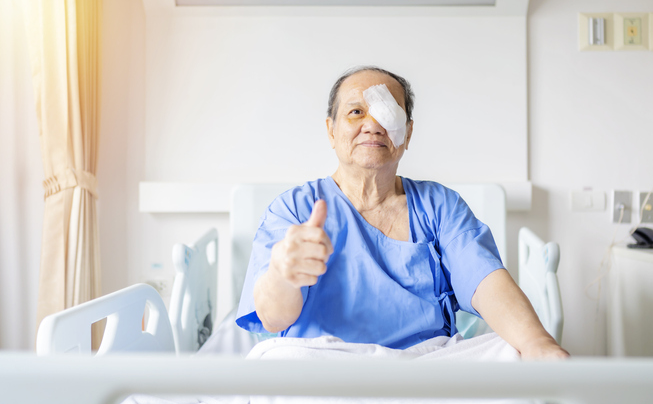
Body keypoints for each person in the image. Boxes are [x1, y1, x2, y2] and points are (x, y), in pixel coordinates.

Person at [236, 66, 568, 360]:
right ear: (331, 131)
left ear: (407, 134)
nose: (372, 125)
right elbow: (273, 319)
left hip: (425, 365)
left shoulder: (440, 207)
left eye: (387, 113)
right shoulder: (293, 210)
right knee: (278, 361)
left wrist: (538, 343)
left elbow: (485, 280)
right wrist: (283, 274)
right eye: (355, 112)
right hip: (325, 363)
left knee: (513, 351)